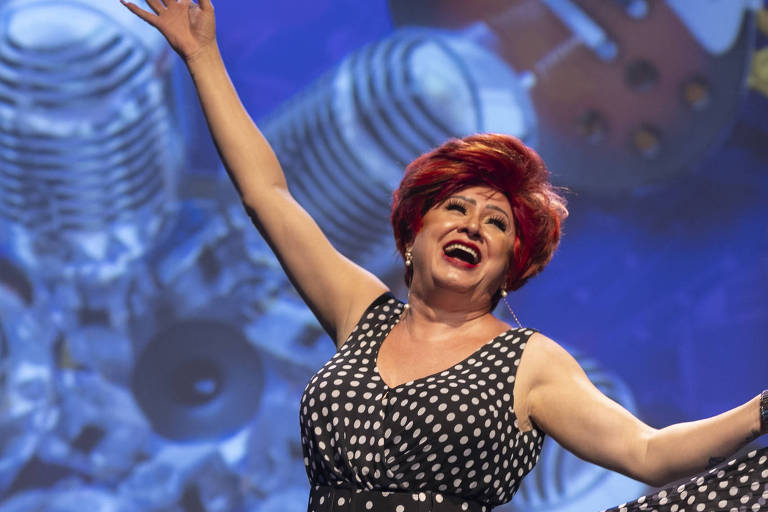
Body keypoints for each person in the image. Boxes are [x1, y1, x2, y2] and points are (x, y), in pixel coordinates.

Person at [121, 1, 768, 511]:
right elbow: (267, 196)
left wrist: (759, 412)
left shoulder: (530, 364)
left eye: (497, 223)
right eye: (457, 209)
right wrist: (202, 57)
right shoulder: (361, 315)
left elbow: (646, 451)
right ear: (412, 234)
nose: (474, 226)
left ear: (513, 262)